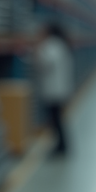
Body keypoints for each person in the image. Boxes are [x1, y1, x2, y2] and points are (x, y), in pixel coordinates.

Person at [35, 22, 74, 156]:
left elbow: (45, 64)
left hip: (54, 90)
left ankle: (61, 147)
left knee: (56, 120)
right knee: (57, 120)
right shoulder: (60, 44)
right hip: (60, 89)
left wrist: (38, 49)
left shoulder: (52, 45)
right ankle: (61, 145)